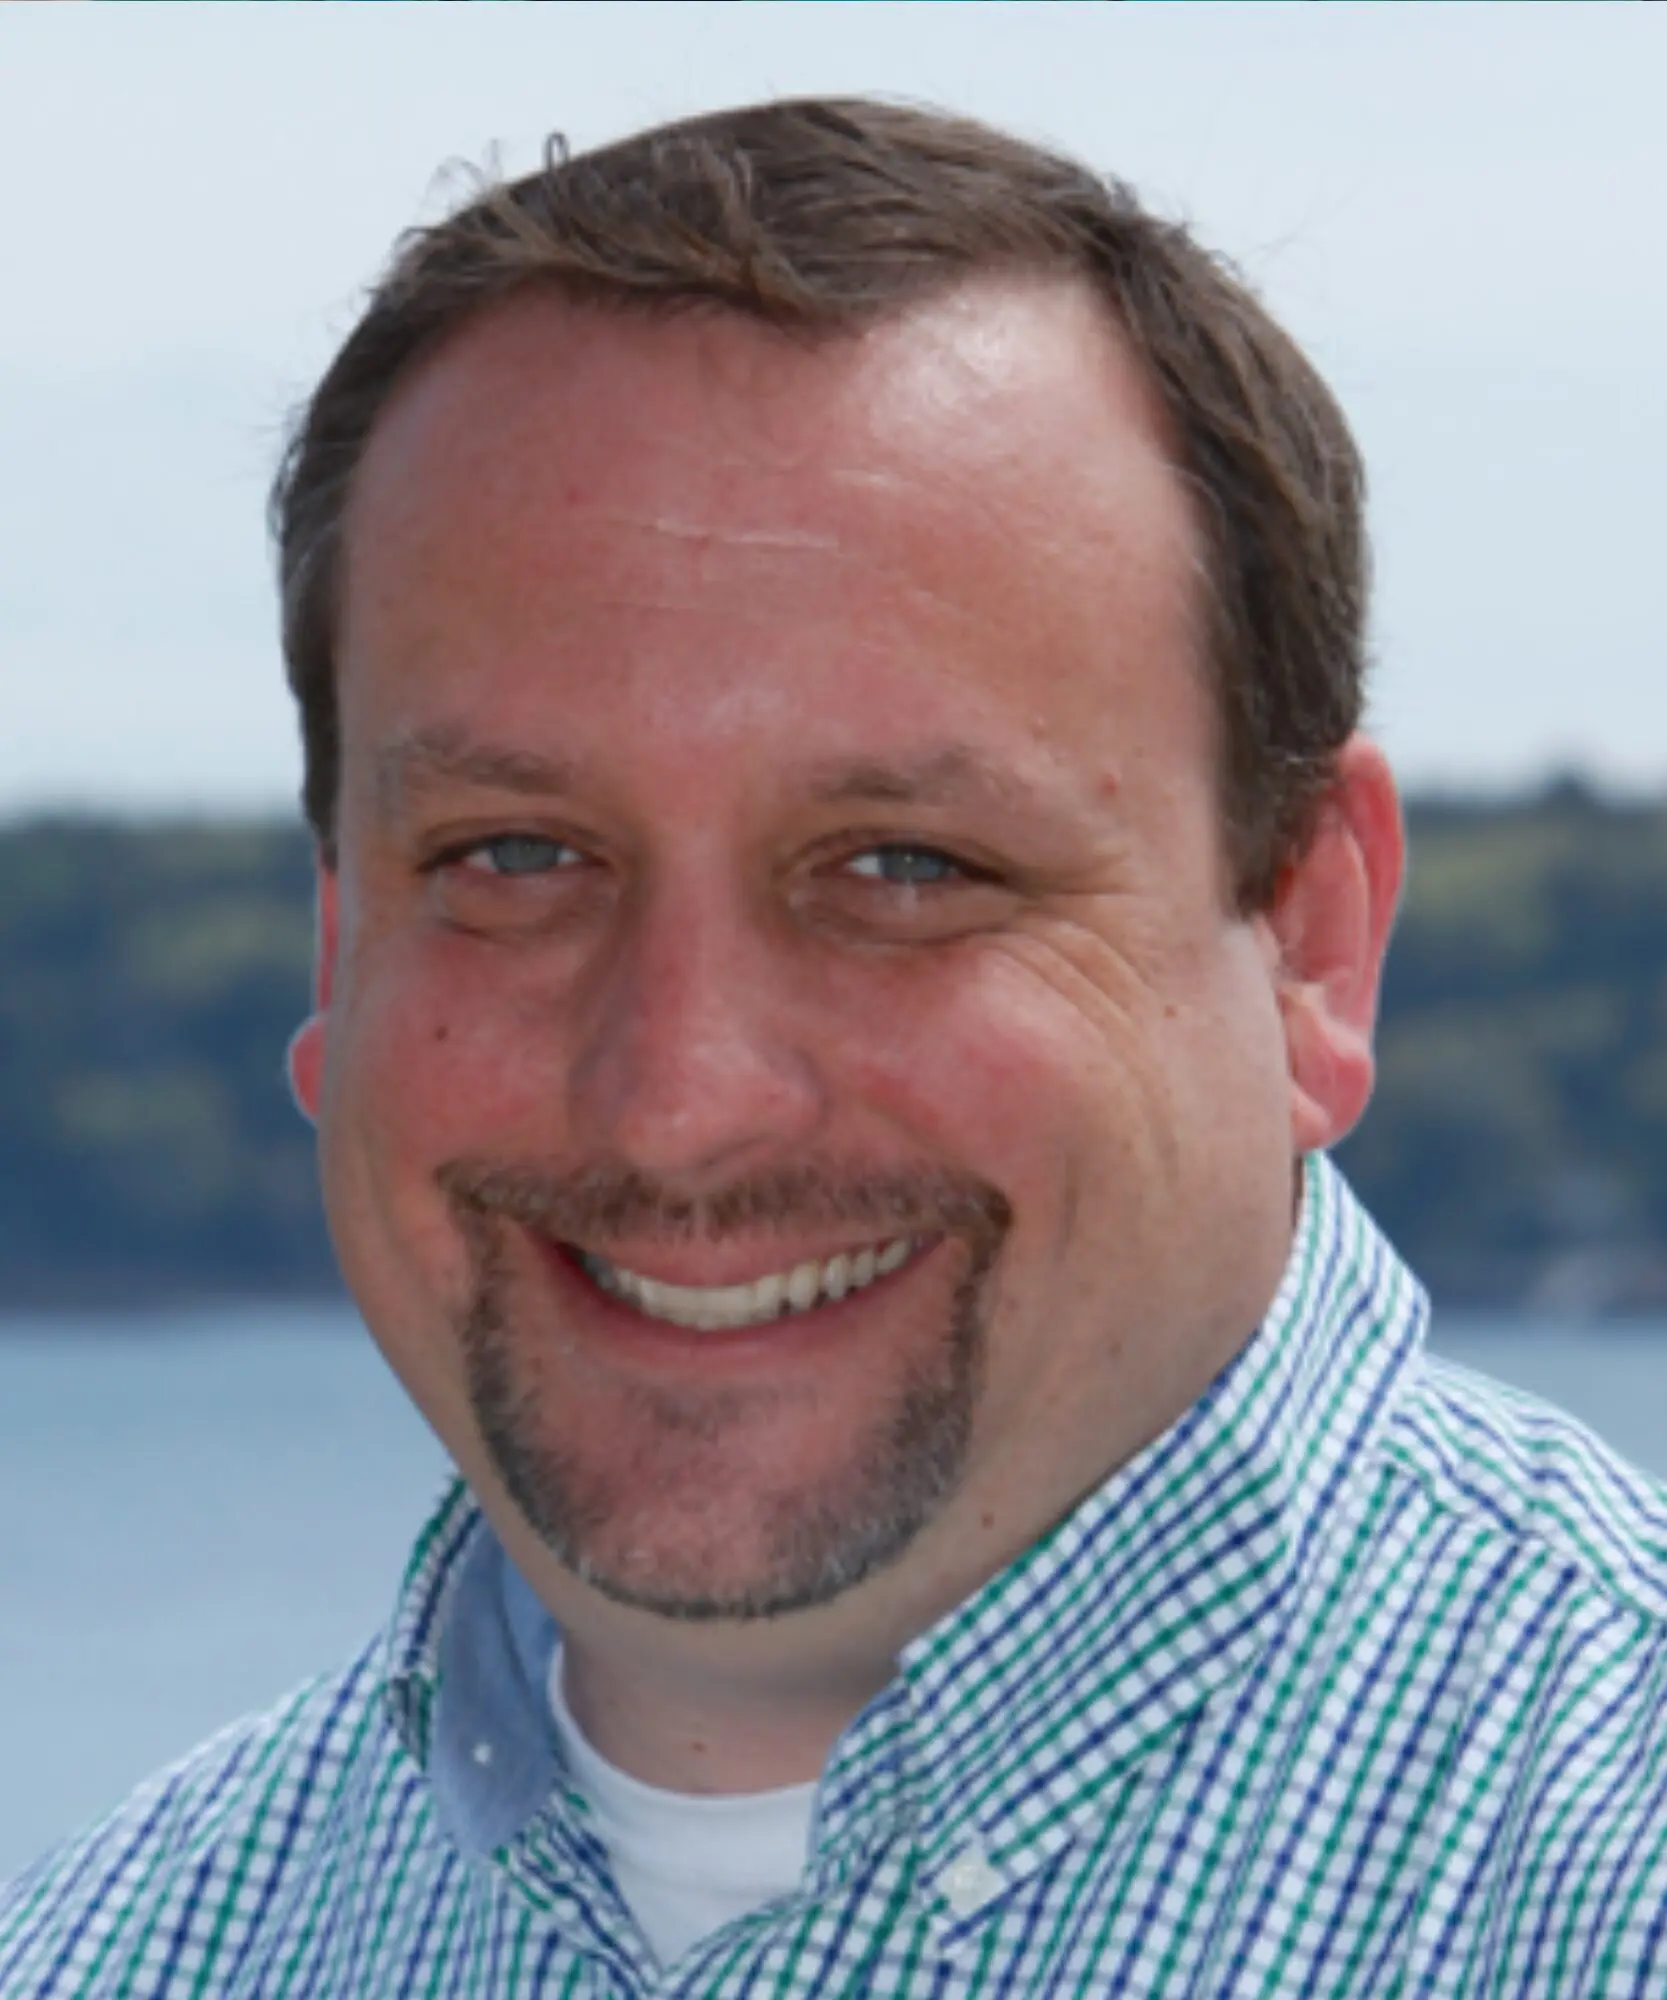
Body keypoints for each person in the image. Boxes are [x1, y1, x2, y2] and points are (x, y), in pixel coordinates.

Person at [5, 96, 1665, 2000]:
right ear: (339, 942)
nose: (681, 1092)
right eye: (515, 857)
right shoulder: (116, 1948)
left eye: (902, 866)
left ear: (1311, 944)